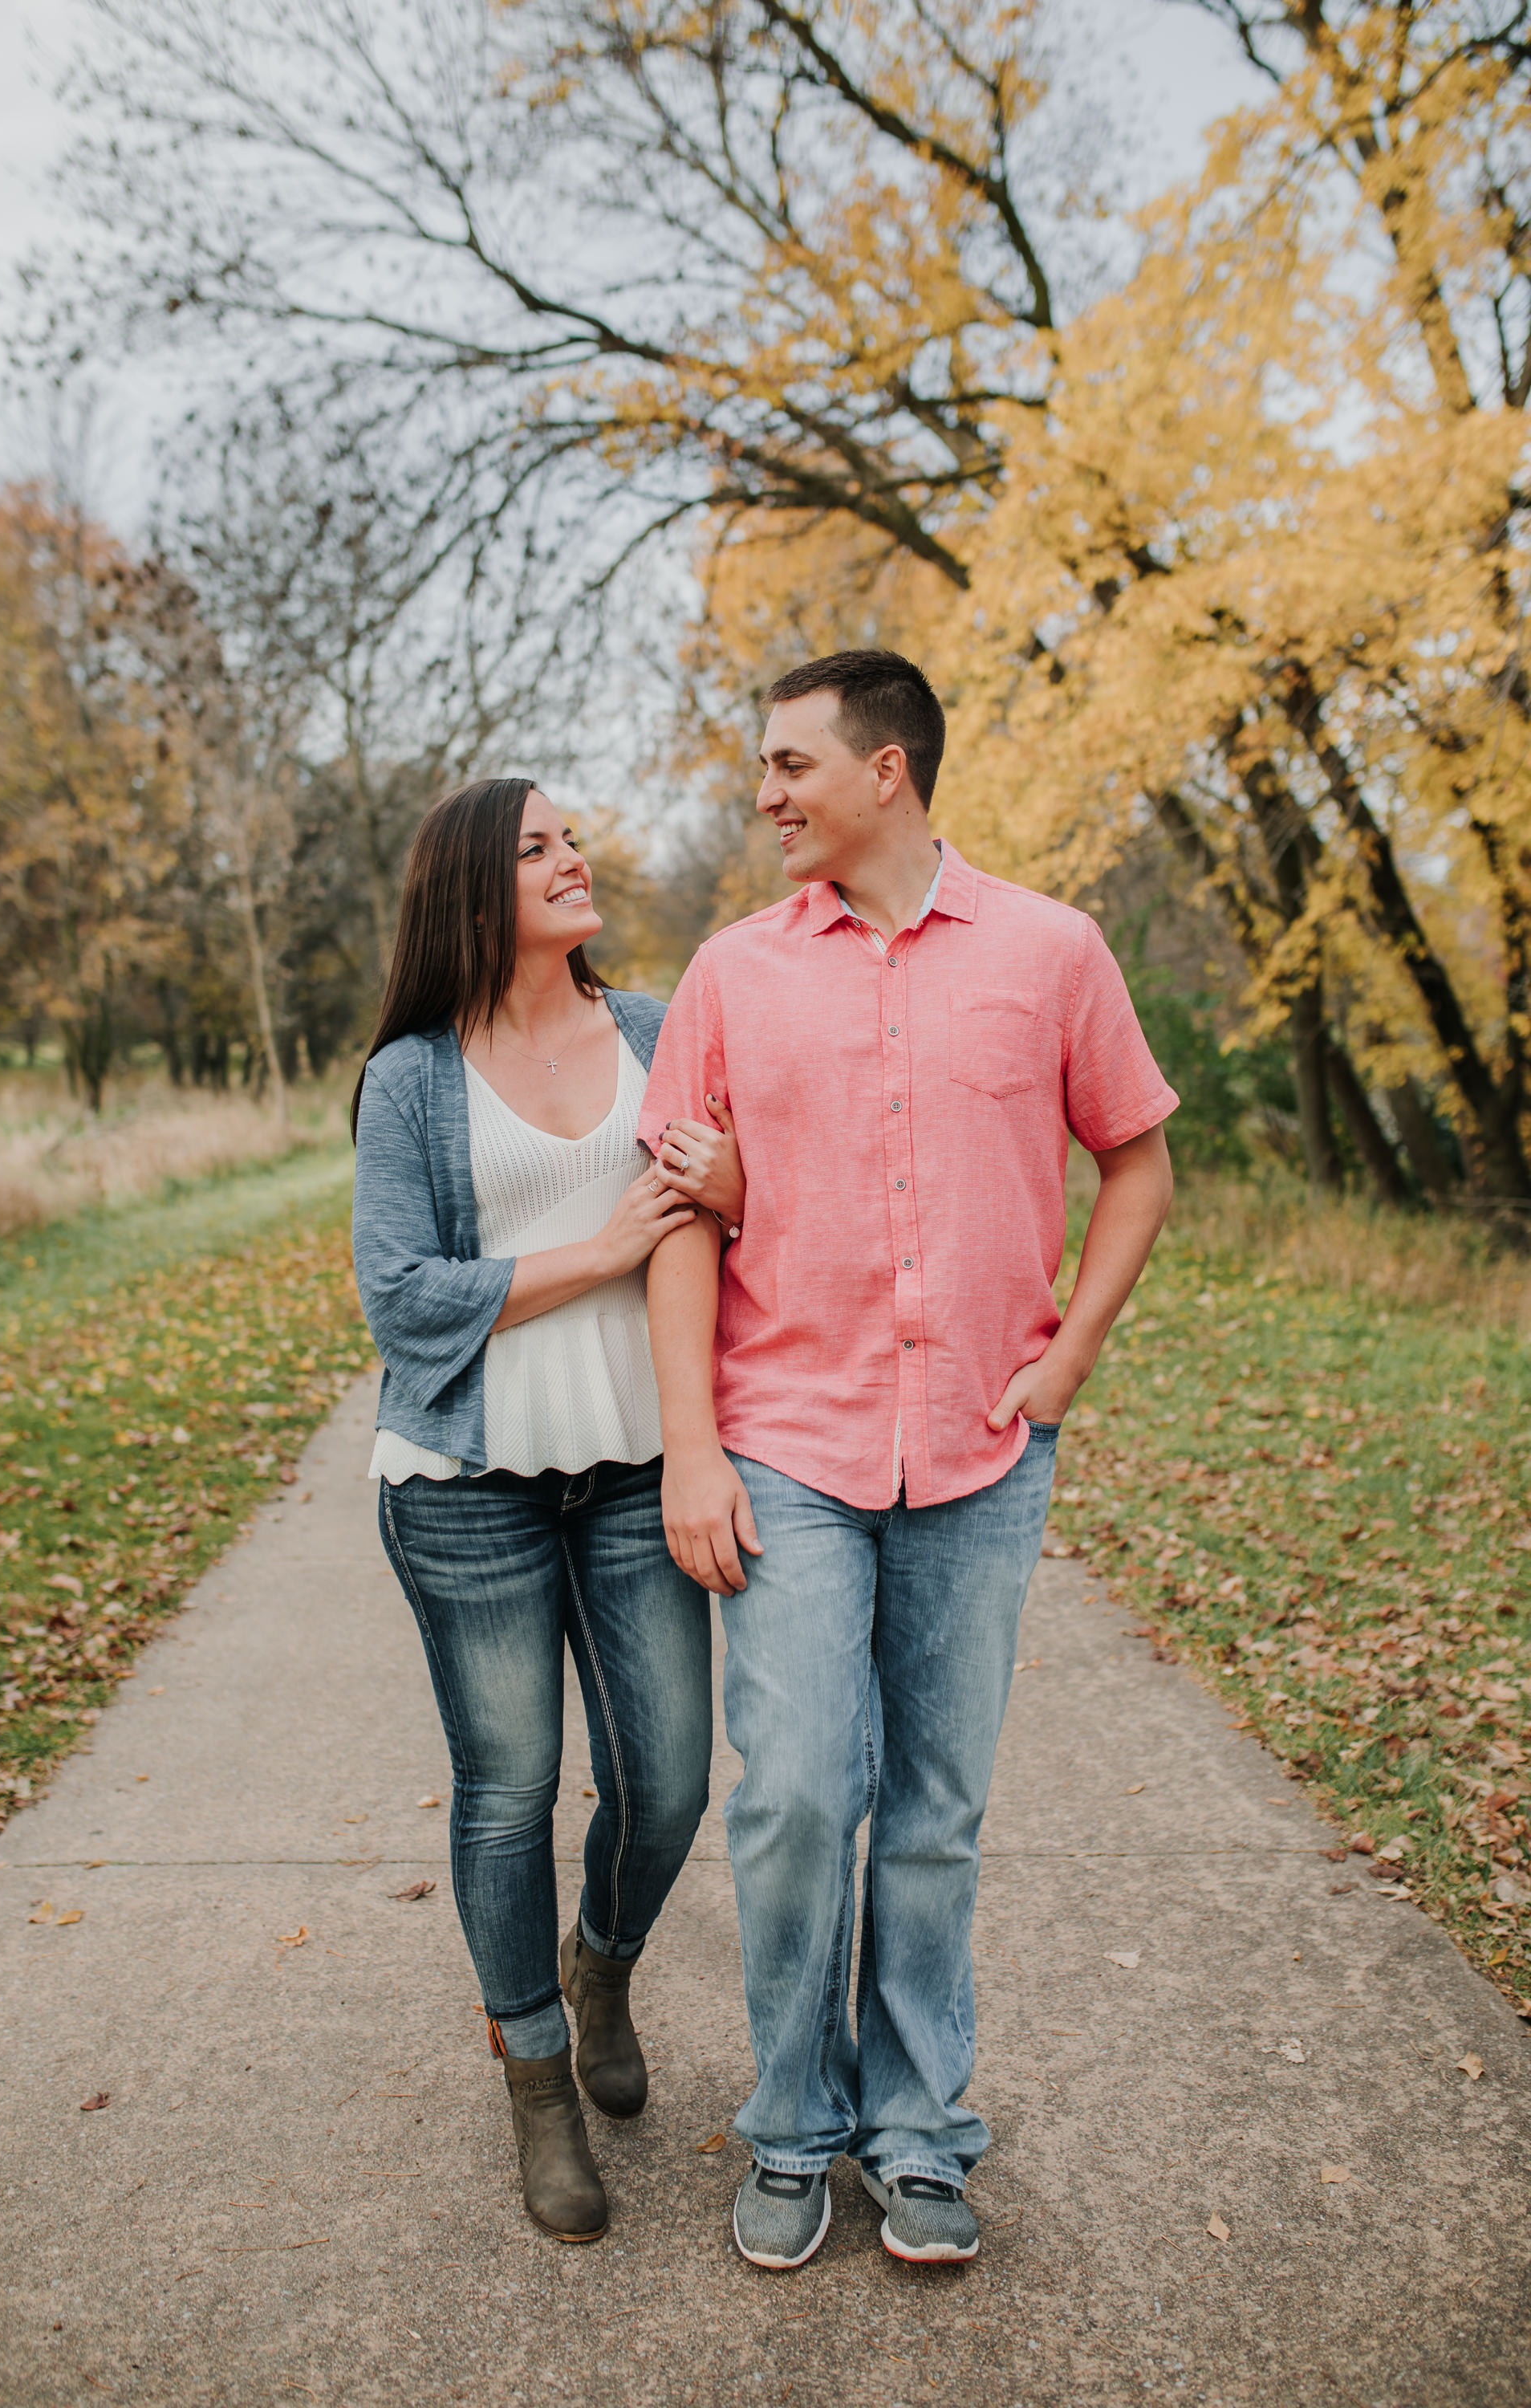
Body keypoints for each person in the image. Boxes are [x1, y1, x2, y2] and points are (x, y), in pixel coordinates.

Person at [640, 651, 1177, 2272]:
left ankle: (916, 2130)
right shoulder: (730, 976)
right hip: (789, 1443)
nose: (767, 793)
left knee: (934, 1814)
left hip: (979, 1452)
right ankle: (793, 2129)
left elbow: (1137, 1161)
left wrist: (1066, 1355)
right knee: (803, 1797)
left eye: (793, 763)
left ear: (890, 770)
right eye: (761, 765)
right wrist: (688, 1451)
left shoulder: (1050, 952)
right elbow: (679, 1217)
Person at [351, 777, 743, 2246]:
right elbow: (399, 1300)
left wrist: (733, 1197)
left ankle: (604, 1964)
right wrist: (596, 1251)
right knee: (510, 1790)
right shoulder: (411, 1077)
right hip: (467, 1489)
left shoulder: (656, 1029)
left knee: (670, 1783)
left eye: (572, 839)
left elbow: (731, 1207)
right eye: (537, 849)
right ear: (472, 887)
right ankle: (534, 2077)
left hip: (643, 1465)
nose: (573, 860)